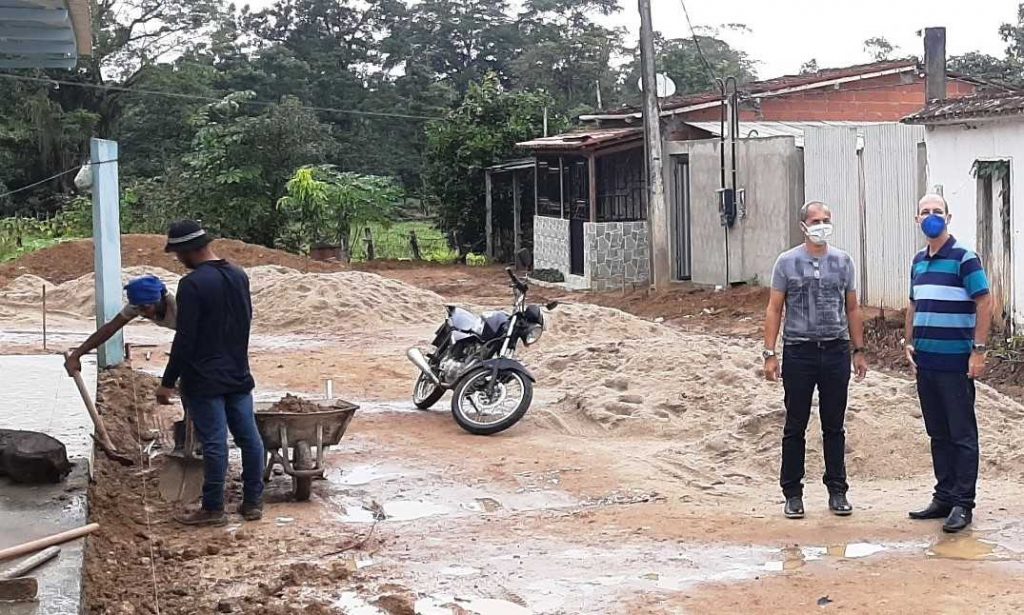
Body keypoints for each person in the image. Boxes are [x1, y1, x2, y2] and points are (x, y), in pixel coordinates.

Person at [763, 201, 868, 519]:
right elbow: (774, 308)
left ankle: (837, 490)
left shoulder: (843, 262)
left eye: (826, 220)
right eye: (816, 220)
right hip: (799, 351)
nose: (822, 225)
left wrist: (858, 350)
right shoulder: (787, 262)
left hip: (835, 350)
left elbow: (852, 308)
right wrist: (770, 353)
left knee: (834, 425)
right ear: (803, 226)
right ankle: (792, 493)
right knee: (795, 424)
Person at [156, 220, 265, 526]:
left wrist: (167, 382)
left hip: (204, 378)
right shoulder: (238, 275)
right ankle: (253, 502)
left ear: (188, 251)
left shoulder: (192, 285)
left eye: (178, 254)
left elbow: (186, 338)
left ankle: (213, 508)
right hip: (238, 372)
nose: (178, 260)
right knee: (249, 438)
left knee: (215, 443)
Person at [904, 194, 992, 534]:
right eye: (924, 212)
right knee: (937, 432)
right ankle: (943, 496)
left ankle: (962, 503)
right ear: (917, 219)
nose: (931, 217)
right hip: (926, 361)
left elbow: (984, 303)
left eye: (936, 212)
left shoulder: (964, 259)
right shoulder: (918, 262)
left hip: (956, 361)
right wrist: (908, 342)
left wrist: (979, 350)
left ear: (948, 217)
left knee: (961, 433)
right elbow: (913, 304)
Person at [64, 275, 175, 375]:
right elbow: (110, 328)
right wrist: (76, 355)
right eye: (138, 309)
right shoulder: (140, 305)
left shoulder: (179, 305)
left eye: (145, 308)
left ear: (159, 300)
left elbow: (185, 341)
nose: (142, 313)